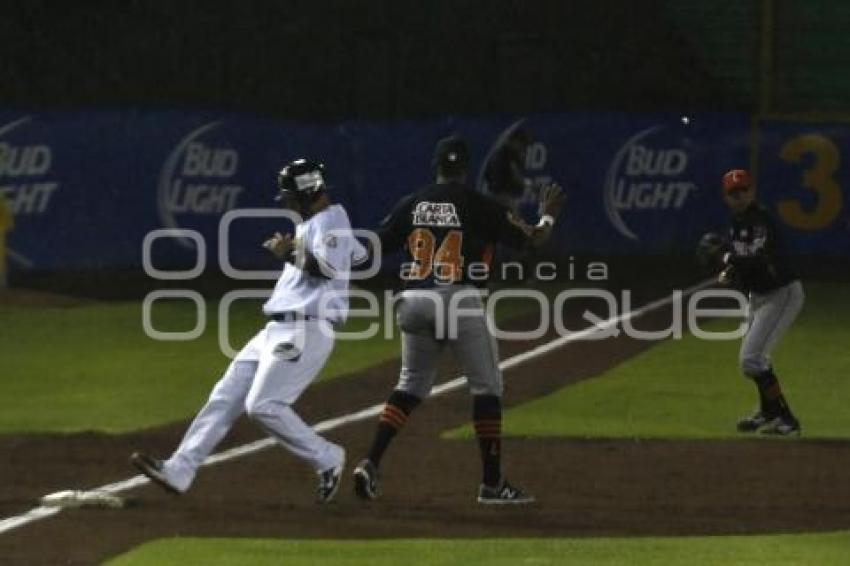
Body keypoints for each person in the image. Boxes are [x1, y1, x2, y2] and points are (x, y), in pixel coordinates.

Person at [131, 158, 368, 503]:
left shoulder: (333, 219)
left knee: (263, 405)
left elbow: (328, 269)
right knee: (225, 396)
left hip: (307, 329)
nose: (286, 202)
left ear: (308, 191)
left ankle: (327, 456)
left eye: (289, 196)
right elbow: (356, 259)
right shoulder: (318, 223)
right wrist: (308, 250)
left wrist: (289, 253)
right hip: (278, 328)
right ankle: (180, 469)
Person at [352, 134, 564, 504]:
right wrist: (548, 214)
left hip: (412, 299)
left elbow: (373, 246)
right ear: (466, 168)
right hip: (457, 298)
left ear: (436, 165)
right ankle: (492, 485)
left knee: (410, 385)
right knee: (487, 388)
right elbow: (534, 239)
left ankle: (370, 462)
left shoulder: (412, 202)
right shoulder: (479, 204)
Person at [704, 169, 803, 435]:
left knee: (750, 359)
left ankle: (787, 418)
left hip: (781, 294)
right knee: (759, 360)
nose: (739, 195)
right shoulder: (737, 222)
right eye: (733, 192)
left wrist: (726, 259)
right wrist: (729, 270)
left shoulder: (762, 220)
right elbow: (743, 261)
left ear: (752, 191)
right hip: (758, 296)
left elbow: (758, 258)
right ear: (726, 197)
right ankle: (769, 411)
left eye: (743, 190)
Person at [482, 127, 533, 212]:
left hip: (491, 196)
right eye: (522, 144)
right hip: (505, 198)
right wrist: (528, 184)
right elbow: (515, 176)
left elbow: (487, 175)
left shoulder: (497, 153)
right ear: (515, 141)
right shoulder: (510, 154)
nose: (523, 148)